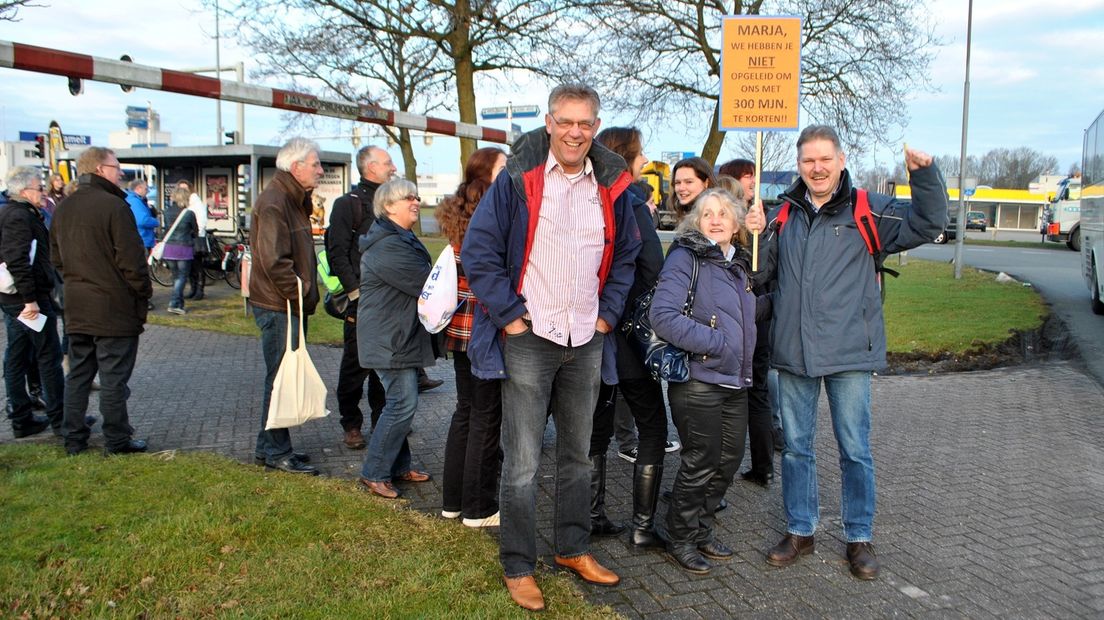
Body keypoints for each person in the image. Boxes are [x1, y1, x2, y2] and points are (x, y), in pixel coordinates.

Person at [461, 83, 641, 612]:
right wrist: (510, 318)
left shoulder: (611, 187)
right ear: (548, 122)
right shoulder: (518, 181)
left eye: (585, 123)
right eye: (566, 121)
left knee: (579, 456)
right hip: (531, 338)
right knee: (520, 462)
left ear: (594, 126)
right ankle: (518, 564)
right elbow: (480, 250)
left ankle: (572, 547)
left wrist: (607, 316)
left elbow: (626, 255)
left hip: (585, 338)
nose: (575, 132)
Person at [747, 125, 947, 580]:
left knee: (855, 449)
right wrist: (753, 236)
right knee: (797, 449)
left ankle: (859, 537)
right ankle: (801, 529)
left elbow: (928, 224)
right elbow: (760, 278)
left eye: (824, 159)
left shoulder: (869, 209)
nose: (816, 168)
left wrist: (925, 177)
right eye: (808, 161)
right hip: (793, 352)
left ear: (840, 160)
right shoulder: (780, 215)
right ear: (798, 165)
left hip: (850, 352)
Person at [650, 188, 759, 575]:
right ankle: (679, 536)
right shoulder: (686, 257)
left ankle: (700, 529)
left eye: (723, 214)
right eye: (707, 213)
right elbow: (662, 315)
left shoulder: (739, 264)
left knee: (727, 461)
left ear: (735, 224)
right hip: (699, 379)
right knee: (701, 461)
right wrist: (715, 344)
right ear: (697, 220)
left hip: (734, 380)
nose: (715, 219)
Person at [585, 126, 670, 546]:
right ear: (628, 158)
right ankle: (641, 527)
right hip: (629, 335)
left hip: (590, 333)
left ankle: (592, 514)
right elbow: (652, 266)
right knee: (652, 425)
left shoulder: (586, 197)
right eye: (641, 153)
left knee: (595, 425)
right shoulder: (632, 202)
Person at [50, 147, 153, 456]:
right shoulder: (114, 207)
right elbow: (132, 261)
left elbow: (56, 258)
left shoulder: (63, 208)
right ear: (99, 169)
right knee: (113, 378)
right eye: (115, 166)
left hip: (78, 306)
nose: (120, 172)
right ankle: (117, 440)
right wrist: (142, 293)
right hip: (113, 309)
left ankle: (73, 438)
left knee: (79, 374)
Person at [438, 147, 506, 527]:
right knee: (485, 416)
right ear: (486, 176)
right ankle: (479, 508)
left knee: (466, 413)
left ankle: (454, 501)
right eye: (503, 168)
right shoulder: (489, 210)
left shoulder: (461, 209)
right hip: (482, 327)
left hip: (460, 329)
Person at [248, 138, 324, 475]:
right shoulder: (275, 201)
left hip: (287, 304)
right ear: (296, 167)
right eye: (316, 164)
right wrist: (300, 292)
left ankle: (269, 448)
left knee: (281, 376)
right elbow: (274, 261)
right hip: (280, 305)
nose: (320, 170)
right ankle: (277, 451)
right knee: (280, 378)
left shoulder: (291, 199)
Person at [356, 178, 434, 499]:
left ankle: (398, 467)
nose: (415, 202)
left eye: (416, 196)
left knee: (401, 403)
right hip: (390, 339)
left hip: (398, 335)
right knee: (402, 404)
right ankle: (374, 472)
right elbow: (424, 282)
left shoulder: (401, 236)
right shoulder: (389, 245)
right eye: (407, 198)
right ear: (388, 206)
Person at [326, 145, 394, 450]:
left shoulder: (391, 204)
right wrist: (354, 292)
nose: (393, 168)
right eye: (388, 163)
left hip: (389, 302)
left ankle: (384, 423)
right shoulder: (347, 205)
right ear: (371, 168)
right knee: (355, 365)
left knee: (386, 367)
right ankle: (351, 424)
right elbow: (336, 252)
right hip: (362, 301)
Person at [719, 159, 779, 487]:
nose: (752, 182)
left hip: (754, 318)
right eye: (746, 176)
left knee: (753, 392)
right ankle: (761, 465)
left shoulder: (757, 223)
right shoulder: (748, 219)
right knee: (755, 392)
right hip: (755, 316)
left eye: (753, 176)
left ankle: (760, 466)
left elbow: (761, 272)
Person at [0, 167, 65, 439]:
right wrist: (30, 301)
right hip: (28, 302)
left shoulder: (15, 213)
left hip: (17, 299)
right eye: (39, 188)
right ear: (25, 191)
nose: (42, 192)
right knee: (48, 354)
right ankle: (61, 419)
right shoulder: (18, 216)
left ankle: (22, 418)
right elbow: (17, 260)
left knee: (18, 353)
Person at [161, 187, 199, 315]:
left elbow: (165, 229)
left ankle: (179, 305)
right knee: (182, 277)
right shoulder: (189, 213)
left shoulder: (166, 212)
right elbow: (196, 231)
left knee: (176, 277)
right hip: (184, 248)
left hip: (169, 248)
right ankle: (173, 303)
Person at [668, 157, 717, 224]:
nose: (681, 188)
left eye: (688, 182)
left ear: (706, 183)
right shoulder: (687, 217)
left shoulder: (714, 220)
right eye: (677, 182)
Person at [125, 179, 158, 253]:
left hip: (140, 239)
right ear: (138, 188)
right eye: (146, 189)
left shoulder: (133, 200)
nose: (148, 191)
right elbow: (142, 221)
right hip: (142, 239)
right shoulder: (135, 201)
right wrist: (156, 222)